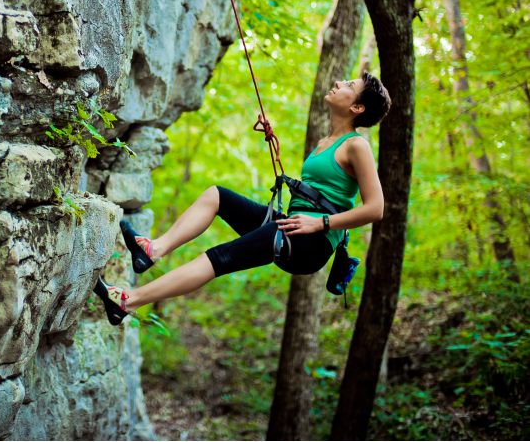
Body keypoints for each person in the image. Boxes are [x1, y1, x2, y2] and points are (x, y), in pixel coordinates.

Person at [93, 72, 392, 325]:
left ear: (357, 108)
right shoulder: (326, 142)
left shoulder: (357, 145)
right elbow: (320, 188)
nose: (339, 82)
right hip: (295, 227)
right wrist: (273, 142)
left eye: (349, 87)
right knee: (217, 196)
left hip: (310, 241)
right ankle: (152, 249)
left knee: (217, 257)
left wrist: (321, 224)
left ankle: (127, 301)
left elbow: (375, 208)